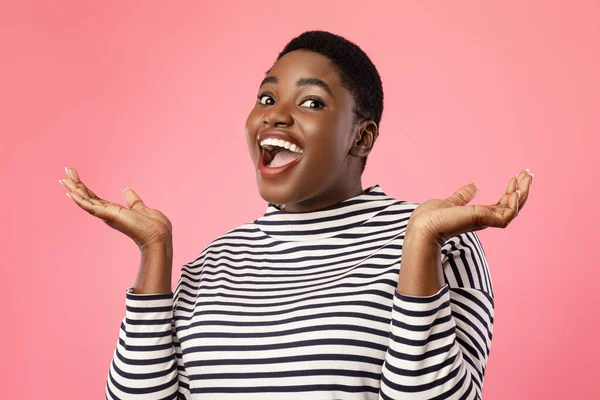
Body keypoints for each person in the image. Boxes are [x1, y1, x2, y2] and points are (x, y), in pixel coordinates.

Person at [59, 30, 533, 399]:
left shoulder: (439, 241)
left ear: (361, 137)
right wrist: (154, 253)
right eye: (267, 99)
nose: (275, 116)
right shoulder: (211, 264)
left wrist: (420, 244)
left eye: (311, 102)